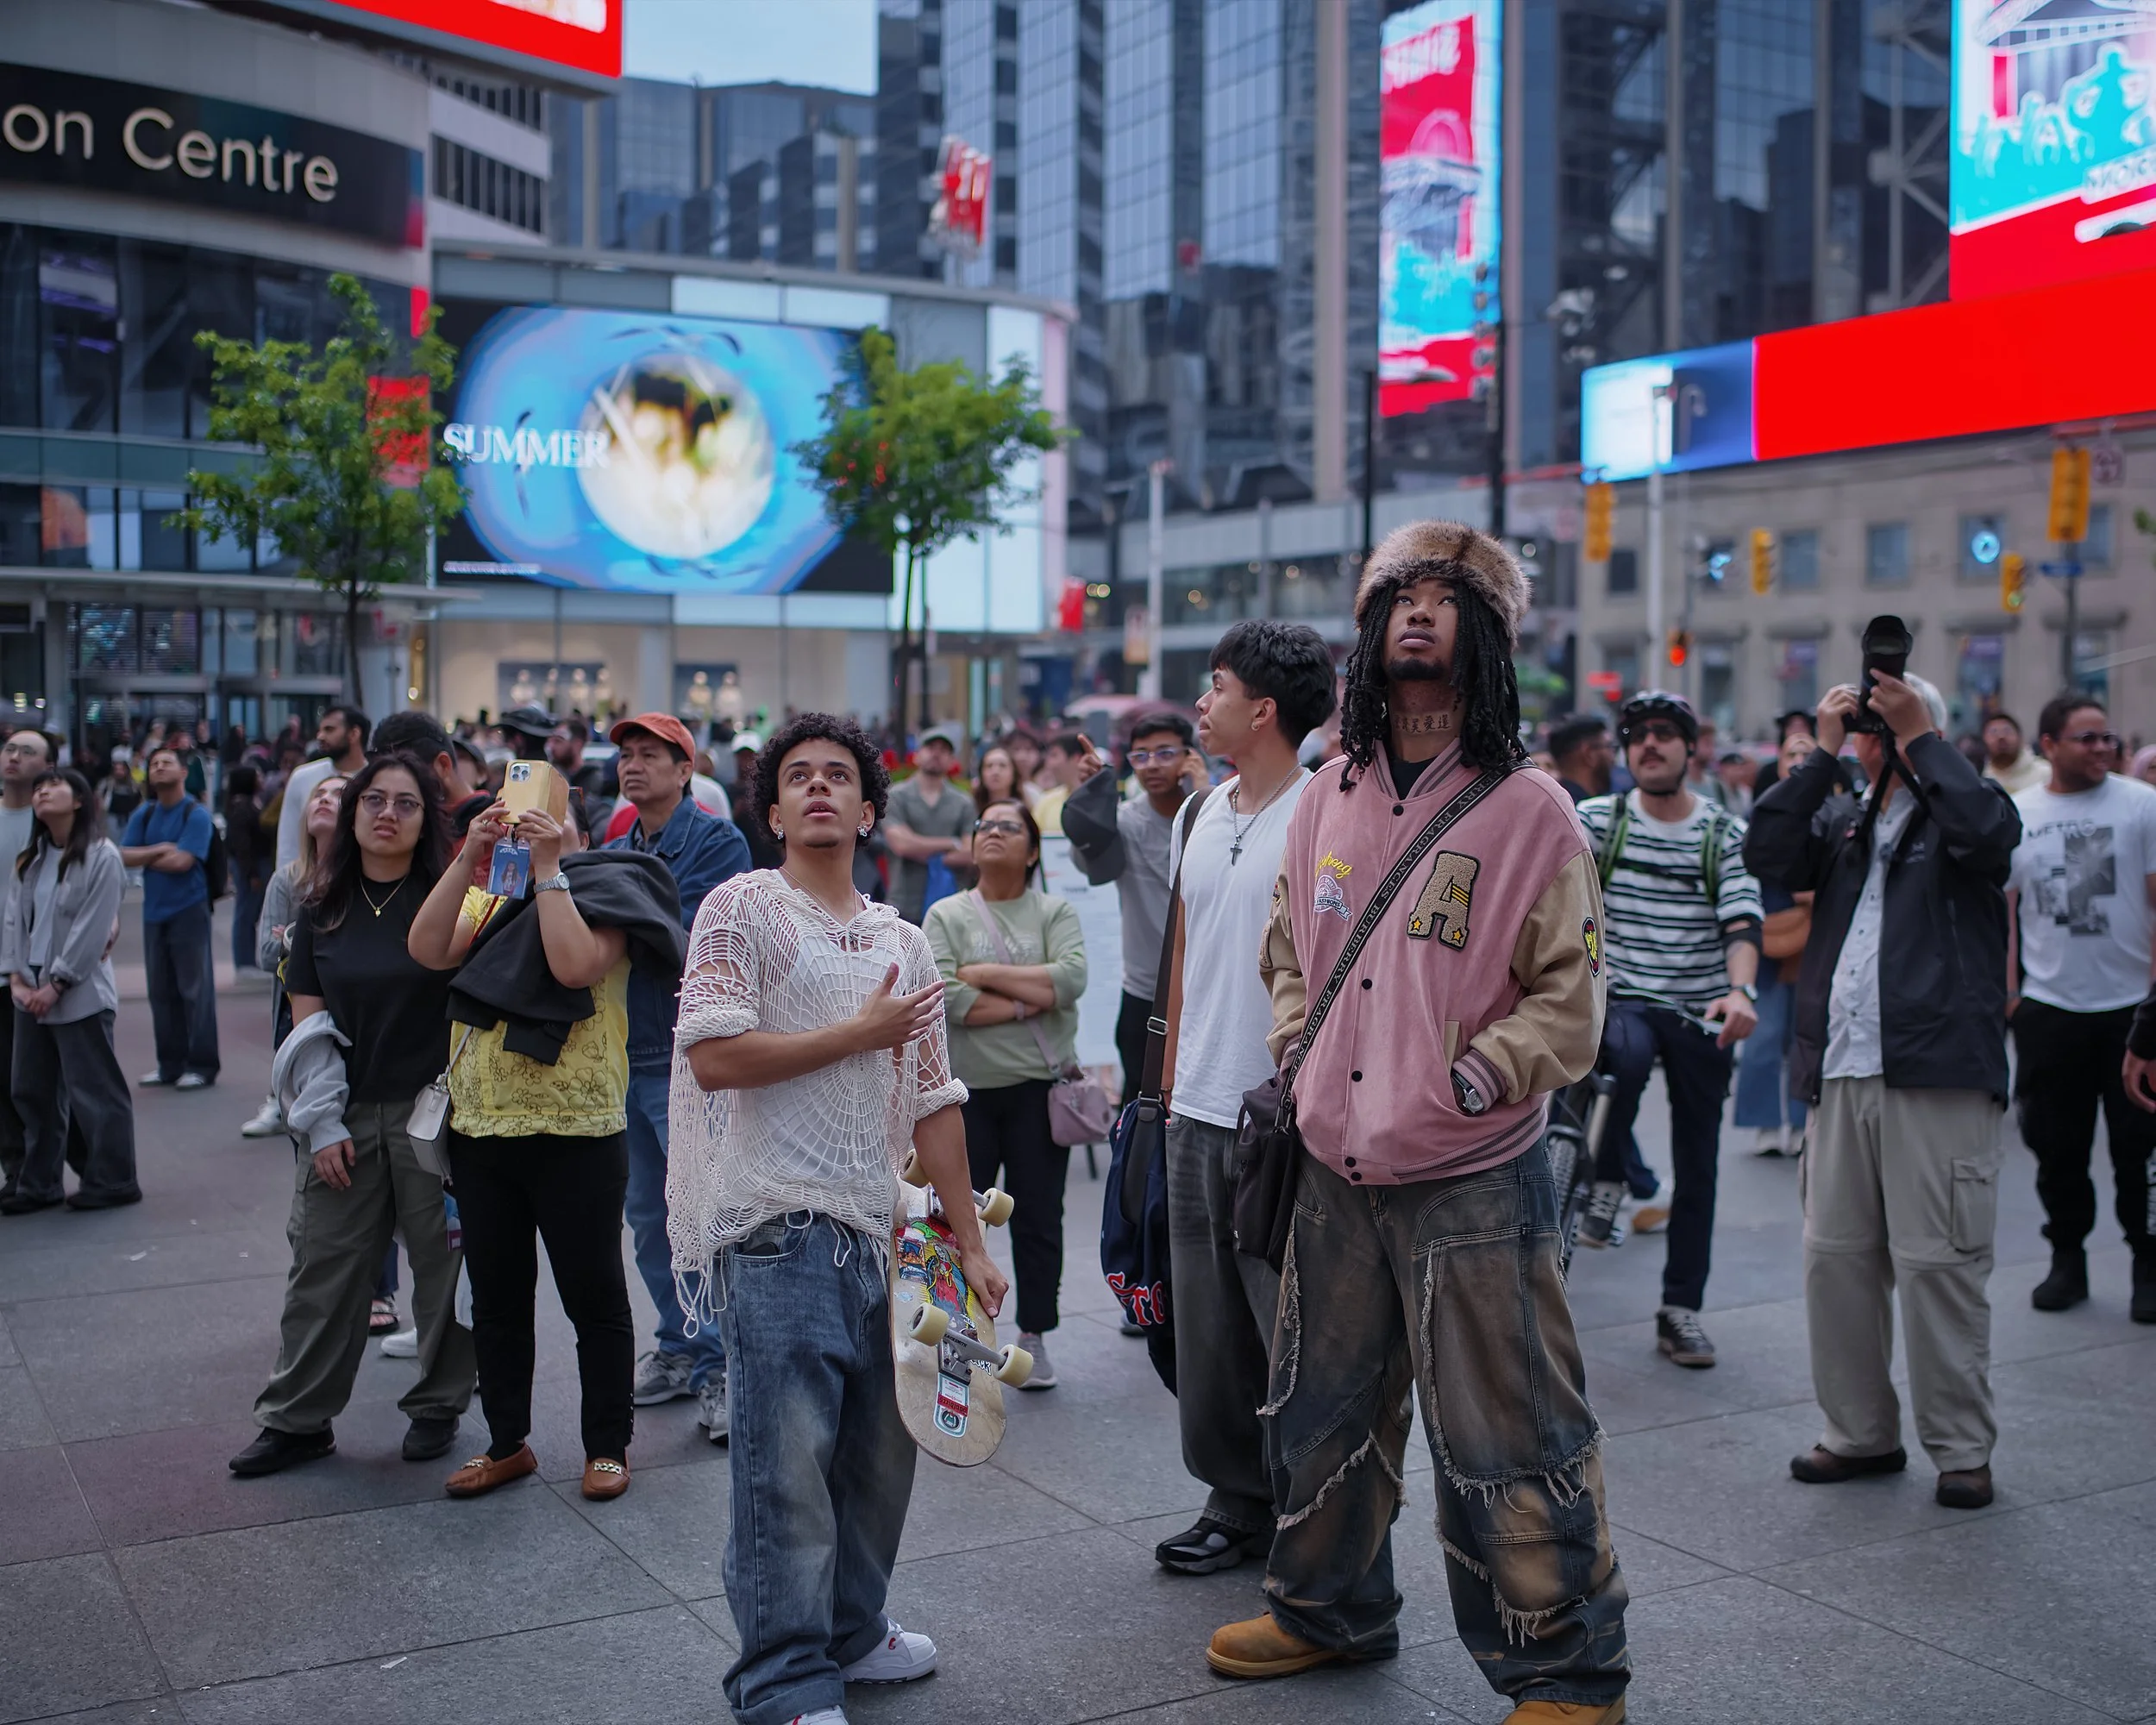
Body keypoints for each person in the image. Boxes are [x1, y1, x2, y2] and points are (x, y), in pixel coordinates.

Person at [1206, 521, 1628, 1721]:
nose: (1421, 613)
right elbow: (1291, 945)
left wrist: (1482, 1078)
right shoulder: (1326, 793)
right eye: (1401, 594)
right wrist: (1298, 1046)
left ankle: (1567, 1668)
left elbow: (1571, 996)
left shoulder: (1533, 808)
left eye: (1448, 598)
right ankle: (1326, 1611)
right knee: (1318, 1403)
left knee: (1511, 1426)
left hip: (1475, 1175)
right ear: (1368, 628)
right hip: (1335, 1164)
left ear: (1486, 635)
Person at [668, 714, 1001, 1724]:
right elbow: (714, 1055)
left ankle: (852, 1633)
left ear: (869, 809)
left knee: (877, 1456)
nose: (820, 789)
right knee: (787, 1471)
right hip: (775, 1228)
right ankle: (783, 1677)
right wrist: (854, 1031)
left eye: (840, 776)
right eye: (798, 778)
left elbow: (934, 1096)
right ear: (770, 809)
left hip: (884, 1230)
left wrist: (970, 1238)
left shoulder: (905, 938)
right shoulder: (741, 906)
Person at [1745, 671, 2019, 1511]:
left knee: (1938, 1264)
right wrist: (1820, 752)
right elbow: (1766, 852)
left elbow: (1989, 834)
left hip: (1936, 1067)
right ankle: (1860, 1431)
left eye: (1886, 723)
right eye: (1868, 726)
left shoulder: (1966, 808)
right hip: (1837, 1068)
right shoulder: (1839, 816)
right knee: (1835, 1262)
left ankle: (1960, 1447)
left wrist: (1922, 736)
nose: (1876, 736)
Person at [408, 769, 685, 1503]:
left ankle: (606, 1446)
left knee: (593, 1295)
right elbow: (430, 948)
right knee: (497, 1297)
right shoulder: (491, 891)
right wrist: (471, 855)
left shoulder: (609, 893)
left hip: (579, 1128)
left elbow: (571, 965)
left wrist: (552, 868)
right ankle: (506, 1444)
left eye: (549, 823)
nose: (529, 833)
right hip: (482, 1125)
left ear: (581, 835)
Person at [227, 754, 476, 1475]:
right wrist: (322, 1122)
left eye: (406, 803)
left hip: (435, 1114)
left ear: (428, 820)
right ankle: (298, 1419)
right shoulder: (322, 906)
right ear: (353, 811)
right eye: (374, 800)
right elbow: (308, 1030)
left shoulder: (448, 898)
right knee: (322, 1265)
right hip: (342, 1110)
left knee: (441, 1269)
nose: (387, 813)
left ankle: (438, 1405)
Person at [1153, 620, 1333, 1578]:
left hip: (1280, 1113)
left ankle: (1320, 1514)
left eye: (1214, 685)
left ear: (1262, 709)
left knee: (1292, 1329)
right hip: (1197, 1104)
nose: (1200, 702)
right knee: (1210, 1328)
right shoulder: (1200, 811)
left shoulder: (1325, 816)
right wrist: (1168, 1087)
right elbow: (1185, 955)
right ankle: (1236, 1499)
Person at [1575, 692, 1762, 1368]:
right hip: (1622, 996)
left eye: (1664, 734)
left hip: (1699, 1006)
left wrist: (1740, 990)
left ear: (1691, 749)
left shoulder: (1721, 832)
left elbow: (1742, 921)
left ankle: (1681, 1310)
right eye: (1638, 737)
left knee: (1699, 1163)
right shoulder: (1598, 820)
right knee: (1619, 1059)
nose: (1650, 745)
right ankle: (1609, 1178)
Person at [602, 712, 752, 1441]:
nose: (634, 766)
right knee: (645, 1216)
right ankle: (677, 1345)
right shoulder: (617, 841)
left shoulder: (717, 839)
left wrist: (609, 916)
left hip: (686, 1053)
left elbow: (688, 940)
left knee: (703, 1212)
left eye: (651, 755)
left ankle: (723, 1365)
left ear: (684, 768)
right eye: (626, 754)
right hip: (621, 1049)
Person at [923, 798, 1086, 1389]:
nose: (993, 833)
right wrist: (1032, 996)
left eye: (1009, 827)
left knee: (1039, 1216)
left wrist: (985, 975)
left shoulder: (1053, 909)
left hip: (1040, 1092)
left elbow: (1071, 981)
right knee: (956, 1220)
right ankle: (962, 1334)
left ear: (1033, 850)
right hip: (964, 1097)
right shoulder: (944, 914)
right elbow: (946, 997)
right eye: (984, 826)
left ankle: (1035, 1333)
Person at [2005, 694, 2156, 1322]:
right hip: (2050, 1010)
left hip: (2133, 1014)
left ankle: (2149, 1265)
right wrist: (2010, 997)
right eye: (2085, 739)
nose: (2102, 748)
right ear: (2049, 745)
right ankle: (2067, 1259)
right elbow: (2005, 912)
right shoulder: (2018, 813)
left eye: (2106, 738)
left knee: (2141, 1151)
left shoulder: (2141, 805)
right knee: (2056, 1147)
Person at [0, 768, 135, 1214]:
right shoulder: (32, 858)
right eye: (38, 788)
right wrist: (16, 977)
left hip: (78, 989)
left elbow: (92, 929)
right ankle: (39, 1184)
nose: (41, 792)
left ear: (78, 799)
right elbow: (15, 922)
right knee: (30, 1089)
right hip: (29, 985)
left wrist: (56, 983)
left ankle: (114, 1179)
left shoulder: (101, 855)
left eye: (52, 785)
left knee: (93, 1090)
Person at [1062, 712, 1200, 1108]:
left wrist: (1203, 793)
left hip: (1204, 987)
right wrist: (1091, 795)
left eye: (1165, 753)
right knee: (1141, 1111)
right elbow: (1090, 865)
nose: (1153, 765)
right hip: (1145, 991)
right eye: (1141, 756)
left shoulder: (1220, 815)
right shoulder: (1125, 821)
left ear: (1190, 756)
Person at [243, 774, 349, 1138]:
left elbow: (284, 945)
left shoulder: (363, 878)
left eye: (337, 794)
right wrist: (301, 939)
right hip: (295, 1017)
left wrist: (291, 937)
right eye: (318, 794)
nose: (323, 799)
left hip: (350, 1017)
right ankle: (278, 1102)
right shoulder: (287, 879)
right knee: (307, 1132)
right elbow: (266, 954)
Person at [1732, 728, 1818, 1156]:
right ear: (1779, 763)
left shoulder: (1835, 810)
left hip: (1818, 938)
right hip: (1769, 934)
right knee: (1764, 1034)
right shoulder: (1763, 812)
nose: (1799, 760)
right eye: (1791, 753)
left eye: (1808, 752)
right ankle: (1765, 1123)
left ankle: (1805, 1121)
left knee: (1807, 1034)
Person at [120, 746, 220, 1090]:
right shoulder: (144, 814)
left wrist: (147, 856)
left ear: (182, 773)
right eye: (154, 764)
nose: (159, 768)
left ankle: (202, 1065)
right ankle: (169, 1065)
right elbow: (122, 855)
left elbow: (184, 863)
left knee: (195, 990)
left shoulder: (196, 813)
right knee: (160, 991)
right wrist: (162, 849)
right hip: (153, 913)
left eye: (167, 763)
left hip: (189, 910)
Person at [0, 727, 53, 1195]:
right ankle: (16, 1168)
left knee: (29, 1081)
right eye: (9, 749)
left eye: (27, 751)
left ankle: (37, 1174)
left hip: (32, 971)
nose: (14, 757)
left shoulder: (47, 822)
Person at [881, 725, 975, 924]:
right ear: (917, 755)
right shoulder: (897, 796)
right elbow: (901, 845)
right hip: (903, 904)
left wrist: (919, 848)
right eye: (931, 747)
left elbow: (971, 853)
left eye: (944, 750)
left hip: (952, 905)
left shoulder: (963, 801)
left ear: (952, 760)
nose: (936, 754)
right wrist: (951, 843)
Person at [274, 706, 370, 872]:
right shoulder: (302, 777)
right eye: (320, 730)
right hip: (306, 885)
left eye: (330, 730)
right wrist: (287, 885)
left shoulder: (377, 778)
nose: (320, 736)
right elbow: (288, 842)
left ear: (354, 734)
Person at [224, 764, 270, 971]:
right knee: (245, 913)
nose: (261, 779)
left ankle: (247, 960)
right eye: (257, 776)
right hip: (250, 865)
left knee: (249, 912)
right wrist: (251, 872)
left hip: (253, 864)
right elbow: (242, 844)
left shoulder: (249, 803)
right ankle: (244, 961)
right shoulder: (242, 807)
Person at [1030, 731, 1091, 836]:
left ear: (1076, 758)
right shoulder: (1047, 801)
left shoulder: (1101, 800)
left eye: (1054, 755)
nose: (1048, 763)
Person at [1546, 712, 1614, 805]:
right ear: (1589, 754)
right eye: (1609, 746)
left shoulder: (1551, 802)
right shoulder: (1589, 813)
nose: (1613, 757)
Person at [1979, 711, 2046, 797]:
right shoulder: (1981, 780)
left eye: (2007, 731)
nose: (2001, 737)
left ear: (2021, 738)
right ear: (1984, 740)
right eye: (1994, 732)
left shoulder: (2045, 774)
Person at [971, 742, 1021, 818]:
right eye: (989, 766)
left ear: (1014, 773)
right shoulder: (970, 808)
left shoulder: (1026, 809)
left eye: (1002, 766)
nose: (995, 772)